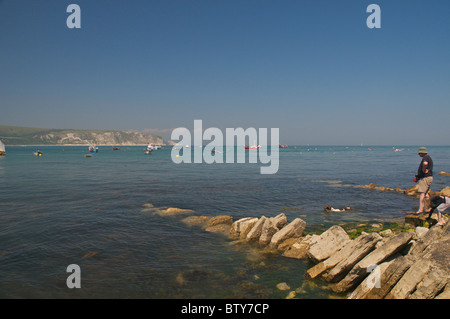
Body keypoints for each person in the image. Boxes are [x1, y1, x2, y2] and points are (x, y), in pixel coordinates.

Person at [415, 147, 433, 214]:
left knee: (422, 193)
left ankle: (420, 209)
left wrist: (423, 169)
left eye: (419, 153)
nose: (419, 154)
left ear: (422, 152)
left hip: (425, 178)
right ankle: (428, 208)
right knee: (426, 194)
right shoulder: (428, 157)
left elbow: (425, 164)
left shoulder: (425, 158)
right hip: (429, 177)